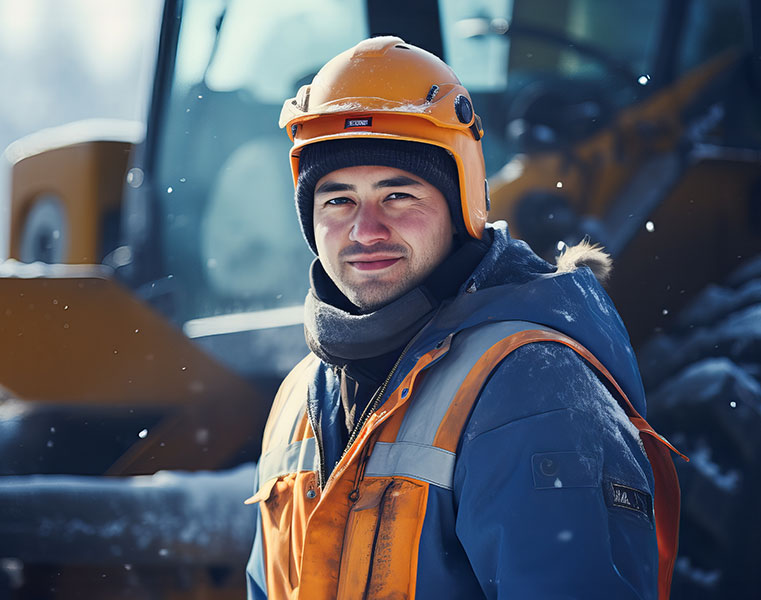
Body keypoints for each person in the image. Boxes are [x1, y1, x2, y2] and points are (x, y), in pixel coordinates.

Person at [245, 36, 682, 600]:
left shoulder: (531, 387)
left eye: (398, 195)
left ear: (462, 209)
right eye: (338, 200)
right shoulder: (297, 398)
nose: (366, 230)